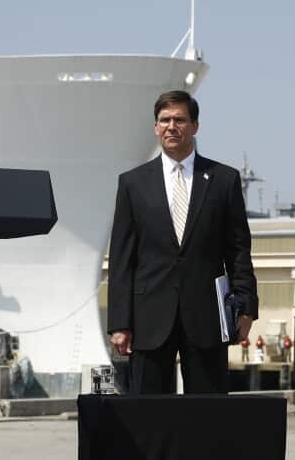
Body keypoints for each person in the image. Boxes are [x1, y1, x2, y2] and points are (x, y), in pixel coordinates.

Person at [106, 90, 258, 394]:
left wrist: (247, 306)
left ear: (195, 126)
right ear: (155, 127)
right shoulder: (132, 183)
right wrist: (119, 322)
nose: (171, 126)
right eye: (164, 120)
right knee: (148, 415)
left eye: (179, 119)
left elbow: (238, 250)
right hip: (148, 319)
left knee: (207, 413)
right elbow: (122, 257)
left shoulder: (223, 179)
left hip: (206, 317)